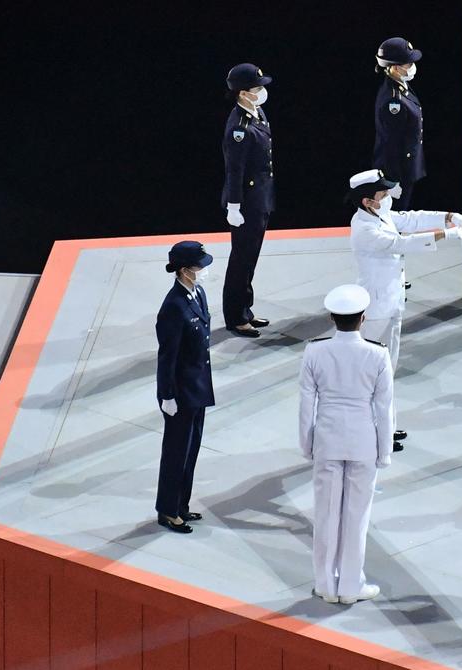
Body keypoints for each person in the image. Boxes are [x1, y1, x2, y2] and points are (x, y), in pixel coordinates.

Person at [347, 169, 462, 452]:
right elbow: (402, 243)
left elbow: (411, 218)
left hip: (392, 303)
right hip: (377, 309)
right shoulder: (365, 229)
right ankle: (371, 432)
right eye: (382, 193)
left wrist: (447, 216)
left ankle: (384, 425)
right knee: (374, 374)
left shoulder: (380, 213)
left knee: (387, 371)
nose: (388, 196)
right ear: (367, 201)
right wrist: (446, 236)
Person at [300, 284, 392, 604]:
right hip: (363, 440)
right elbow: (384, 407)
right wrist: (385, 452)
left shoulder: (315, 351)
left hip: (327, 439)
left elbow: (306, 404)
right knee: (357, 516)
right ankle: (351, 586)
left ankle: (326, 584)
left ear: (331, 317)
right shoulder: (378, 353)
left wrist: (306, 443)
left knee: (325, 515)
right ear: (363, 318)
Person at [155, 241, 215, 534]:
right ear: (184, 270)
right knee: (176, 452)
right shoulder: (173, 307)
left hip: (198, 387)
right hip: (179, 393)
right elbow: (167, 357)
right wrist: (167, 395)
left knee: (191, 450)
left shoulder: (197, 293)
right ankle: (167, 510)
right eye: (199, 266)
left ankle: (181, 505)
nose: (203, 271)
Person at [221, 62, 275, 338]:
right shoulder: (239, 128)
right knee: (241, 260)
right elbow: (235, 170)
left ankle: (246, 310)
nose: (262, 92)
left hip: (260, 198)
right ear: (243, 93)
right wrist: (233, 205)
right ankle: (235, 316)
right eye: (257, 88)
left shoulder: (257, 113)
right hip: (246, 203)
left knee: (250, 259)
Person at [374, 37, 425, 209]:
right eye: (408, 64)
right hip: (398, 171)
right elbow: (392, 143)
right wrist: (392, 181)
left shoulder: (401, 86)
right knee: (396, 218)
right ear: (395, 68)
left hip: (407, 168)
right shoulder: (393, 101)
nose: (412, 67)